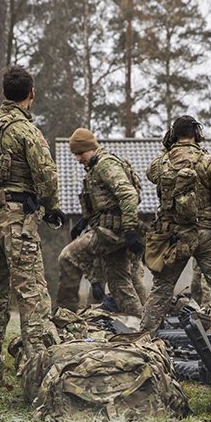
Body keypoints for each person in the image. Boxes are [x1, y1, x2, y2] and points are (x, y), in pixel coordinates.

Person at [0, 65, 65, 386]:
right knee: (32, 295)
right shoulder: (26, 130)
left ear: (4, 93)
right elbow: (47, 175)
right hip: (16, 221)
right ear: (32, 94)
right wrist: (52, 208)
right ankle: (39, 375)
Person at [140, 115, 211, 353]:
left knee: (160, 292)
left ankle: (143, 347)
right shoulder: (209, 162)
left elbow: (151, 174)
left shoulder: (159, 164)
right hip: (207, 236)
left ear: (173, 135)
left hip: (175, 238)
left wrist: (169, 146)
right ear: (197, 133)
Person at [56, 128, 144, 316]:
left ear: (91, 148)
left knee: (68, 257)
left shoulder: (105, 165)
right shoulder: (96, 168)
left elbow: (129, 195)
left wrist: (129, 230)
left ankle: (65, 317)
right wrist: (83, 220)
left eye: (80, 153)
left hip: (112, 233)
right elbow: (104, 203)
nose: (78, 159)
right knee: (119, 282)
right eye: (75, 155)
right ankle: (143, 327)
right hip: (113, 232)